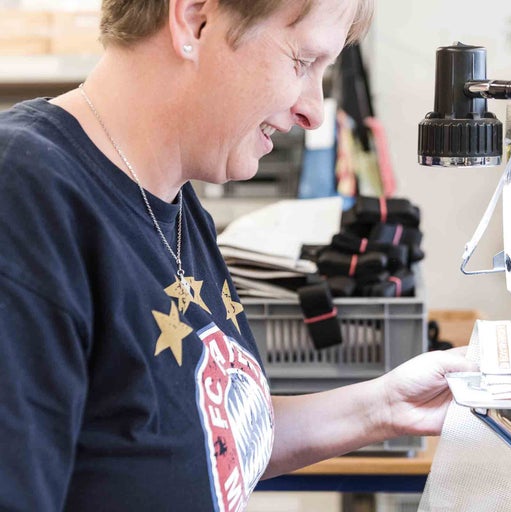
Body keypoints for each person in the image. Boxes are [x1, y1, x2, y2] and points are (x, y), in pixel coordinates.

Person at [0, 0, 474, 510]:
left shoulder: (174, 202)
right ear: (194, 19)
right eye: (303, 62)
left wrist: (386, 405)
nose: (313, 111)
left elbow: (198, 437)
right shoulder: (25, 198)